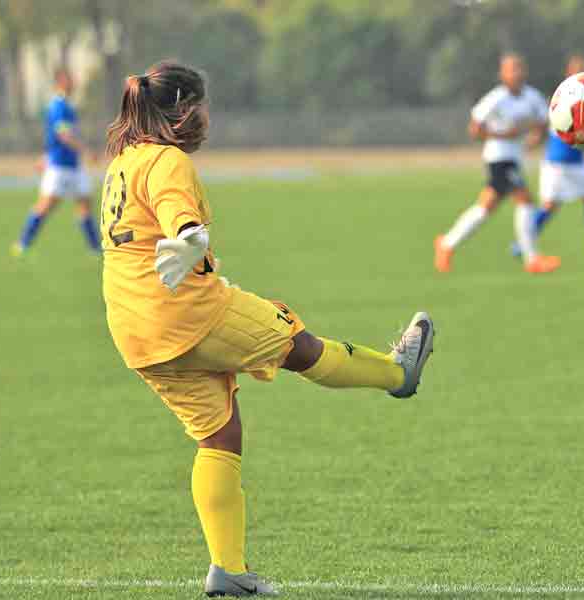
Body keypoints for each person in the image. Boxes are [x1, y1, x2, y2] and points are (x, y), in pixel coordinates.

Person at [101, 61, 435, 597]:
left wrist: (193, 254)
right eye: (203, 107)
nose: (208, 118)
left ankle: (227, 571)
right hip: (187, 314)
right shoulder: (167, 161)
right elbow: (179, 221)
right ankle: (399, 373)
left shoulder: (124, 162)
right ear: (183, 109)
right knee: (299, 346)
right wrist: (190, 241)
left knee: (218, 436)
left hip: (135, 332)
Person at [433, 53, 558, 274]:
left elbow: (543, 122)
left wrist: (535, 138)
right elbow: (474, 129)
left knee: (484, 208)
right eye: (511, 69)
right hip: (498, 158)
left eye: (519, 68)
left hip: (514, 159)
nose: (516, 73)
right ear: (502, 74)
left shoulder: (532, 97)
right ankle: (532, 259)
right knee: (526, 201)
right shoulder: (495, 99)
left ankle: (446, 243)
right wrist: (503, 135)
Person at [511, 54, 584, 261]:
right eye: (576, 69)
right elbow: (545, 125)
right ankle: (522, 243)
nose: (580, 72)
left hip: (578, 162)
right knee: (549, 206)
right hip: (557, 162)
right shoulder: (562, 97)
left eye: (583, 69)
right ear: (568, 72)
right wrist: (532, 141)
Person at [12, 68, 100, 256]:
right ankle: (23, 243)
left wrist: (45, 156)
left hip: (73, 165)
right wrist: (86, 151)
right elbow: (63, 135)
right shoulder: (59, 106)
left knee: (85, 204)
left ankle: (95, 248)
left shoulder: (67, 106)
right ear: (61, 82)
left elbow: (54, 136)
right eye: (70, 79)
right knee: (45, 205)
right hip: (60, 166)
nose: (74, 83)